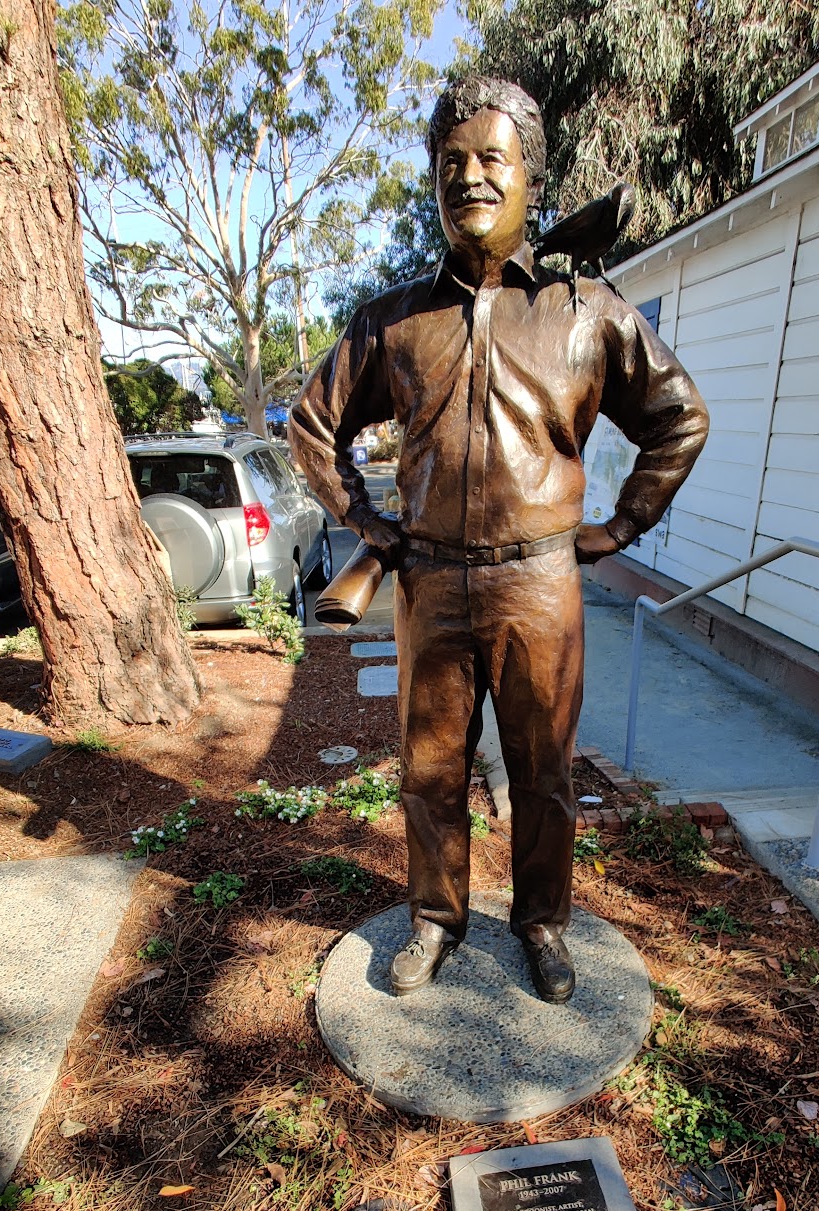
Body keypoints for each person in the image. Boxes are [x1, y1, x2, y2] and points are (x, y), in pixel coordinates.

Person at [289, 77, 708, 1005]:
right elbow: (312, 426)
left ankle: (544, 923)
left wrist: (624, 524)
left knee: (544, 775)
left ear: (529, 177)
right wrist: (365, 521)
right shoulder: (390, 320)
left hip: (540, 586)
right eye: (450, 164)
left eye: (491, 159)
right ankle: (436, 919)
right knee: (430, 771)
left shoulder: (587, 310)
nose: (469, 178)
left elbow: (678, 418)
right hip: (430, 587)